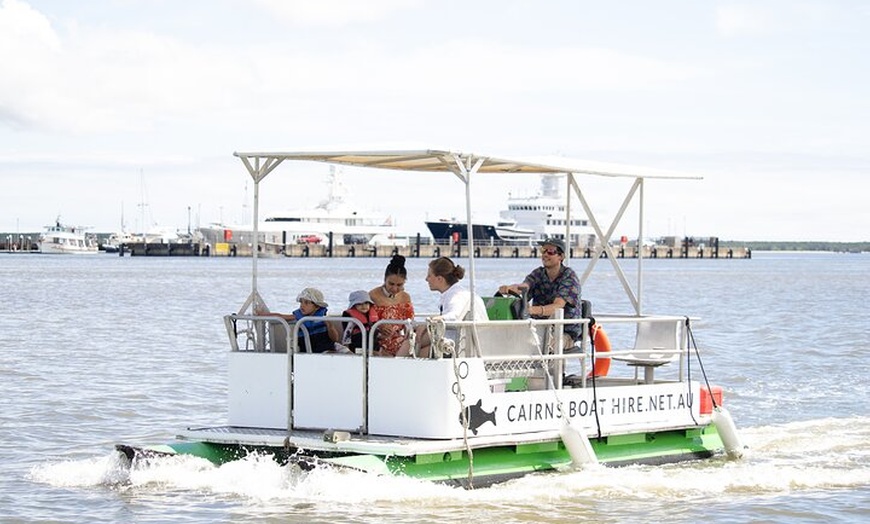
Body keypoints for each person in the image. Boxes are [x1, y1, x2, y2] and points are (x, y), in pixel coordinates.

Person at [498, 237, 583, 376]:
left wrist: (532, 310)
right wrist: (510, 289)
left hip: (564, 332)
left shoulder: (569, 277)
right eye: (543, 250)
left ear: (561, 256)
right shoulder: (538, 273)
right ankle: (516, 377)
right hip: (539, 328)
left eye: (550, 251)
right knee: (512, 336)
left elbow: (558, 306)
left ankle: (554, 379)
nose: (545, 254)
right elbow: (525, 286)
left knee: (548, 343)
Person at [399, 256, 487, 358]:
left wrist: (428, 322)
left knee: (411, 341)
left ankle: (393, 368)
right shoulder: (456, 292)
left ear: (440, 279)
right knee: (417, 343)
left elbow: (454, 316)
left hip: (468, 346)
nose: (426, 279)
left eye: (429, 276)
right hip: (466, 341)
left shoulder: (457, 295)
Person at [264, 287, 340, 353]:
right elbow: (280, 316)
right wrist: (263, 314)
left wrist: (330, 327)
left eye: (306, 303)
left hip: (329, 347)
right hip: (313, 350)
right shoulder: (298, 317)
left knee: (346, 352)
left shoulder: (323, 319)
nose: (302, 305)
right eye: (301, 302)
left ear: (317, 306)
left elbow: (335, 339)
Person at [369, 255, 415, 357]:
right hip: (379, 342)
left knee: (426, 345)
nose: (394, 288)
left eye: (399, 285)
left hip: (400, 340)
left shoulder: (406, 297)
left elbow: (410, 324)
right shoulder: (373, 296)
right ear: (384, 279)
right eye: (391, 284)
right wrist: (379, 326)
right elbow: (364, 321)